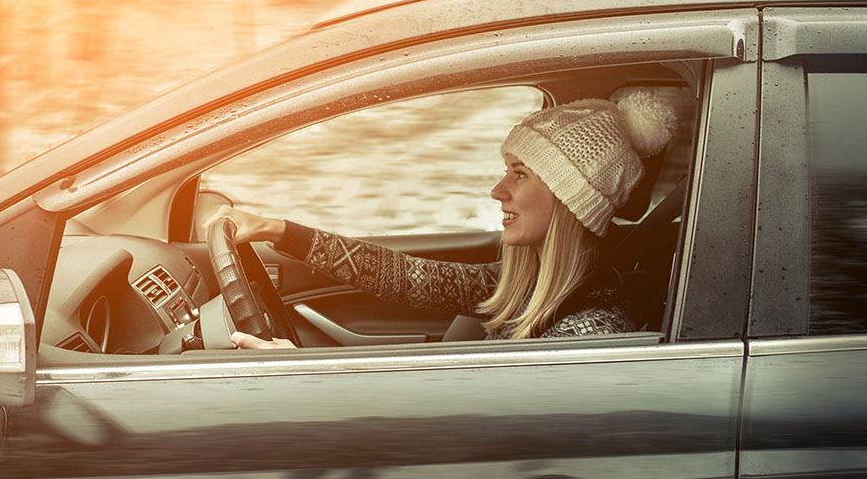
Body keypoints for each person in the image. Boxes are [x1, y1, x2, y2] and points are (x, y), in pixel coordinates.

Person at [204, 87, 678, 349]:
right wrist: (277, 230)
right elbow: (409, 278)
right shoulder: (531, 288)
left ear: (569, 200)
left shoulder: (587, 335)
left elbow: (459, 430)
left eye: (520, 174)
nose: (497, 190)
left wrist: (306, 377)